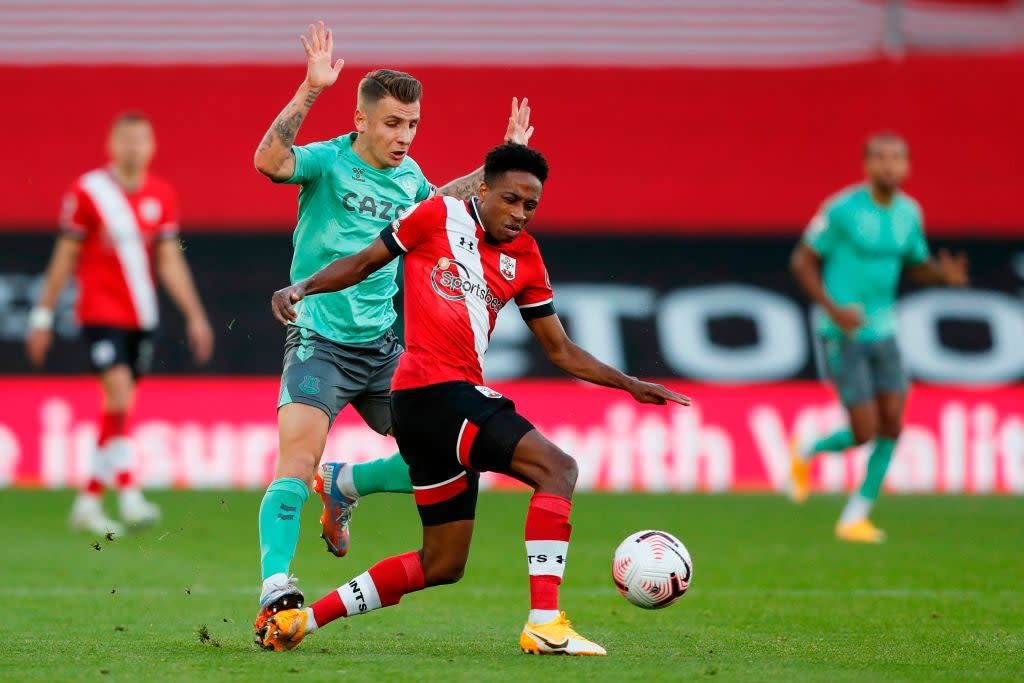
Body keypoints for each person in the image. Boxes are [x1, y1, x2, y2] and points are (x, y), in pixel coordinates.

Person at [259, 143, 690, 655]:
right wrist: (302, 286)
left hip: (434, 405)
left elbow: (561, 350)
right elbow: (364, 262)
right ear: (482, 189)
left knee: (443, 564)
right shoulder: (435, 215)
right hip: (433, 389)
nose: (519, 214)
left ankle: (302, 622)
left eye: (530, 206)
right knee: (558, 470)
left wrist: (628, 383)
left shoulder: (526, 256)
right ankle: (546, 623)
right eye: (510, 199)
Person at [251, 20, 536, 632]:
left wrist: (497, 165)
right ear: (361, 120)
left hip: (385, 350)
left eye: (411, 125)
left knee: (443, 462)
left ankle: (346, 484)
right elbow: (269, 161)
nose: (403, 136)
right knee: (294, 461)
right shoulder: (326, 162)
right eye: (391, 124)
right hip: (319, 340)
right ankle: (277, 587)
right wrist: (309, 89)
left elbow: (448, 199)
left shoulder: (411, 180)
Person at [26, 111, 214, 536]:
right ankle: (129, 494)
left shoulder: (160, 194)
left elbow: (168, 260)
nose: (133, 148)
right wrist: (42, 313)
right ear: (111, 145)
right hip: (99, 312)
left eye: (141, 140)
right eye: (126, 140)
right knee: (118, 391)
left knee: (120, 407)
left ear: (152, 147)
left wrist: (194, 313)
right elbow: (65, 255)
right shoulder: (89, 191)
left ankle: (89, 500)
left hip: (141, 315)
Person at [788, 132, 968, 543]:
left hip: (885, 330)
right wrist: (832, 308)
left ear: (907, 166)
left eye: (897, 159)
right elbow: (802, 262)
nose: (890, 166)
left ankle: (855, 516)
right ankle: (807, 450)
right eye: (881, 158)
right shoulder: (841, 210)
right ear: (867, 165)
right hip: (843, 332)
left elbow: (916, 265)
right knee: (864, 430)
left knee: (892, 426)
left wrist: (942, 276)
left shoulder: (910, 214)